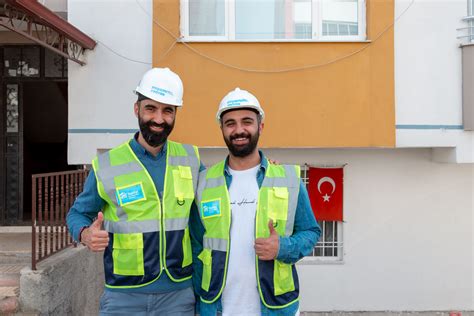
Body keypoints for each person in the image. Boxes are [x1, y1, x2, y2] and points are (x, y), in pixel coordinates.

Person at [67, 67, 202, 316]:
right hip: (123, 297)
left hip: (178, 295)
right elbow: (77, 214)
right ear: (136, 109)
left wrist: (263, 170)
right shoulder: (107, 164)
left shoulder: (191, 160)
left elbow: (222, 194)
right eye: (151, 108)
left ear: (175, 114)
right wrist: (85, 234)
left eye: (167, 111)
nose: (159, 119)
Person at [190, 88, 321, 316]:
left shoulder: (288, 179)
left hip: (275, 309)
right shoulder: (203, 182)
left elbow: (311, 232)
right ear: (221, 129)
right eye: (230, 123)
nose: (239, 130)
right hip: (216, 308)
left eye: (247, 122)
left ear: (260, 126)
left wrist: (283, 247)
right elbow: (195, 245)